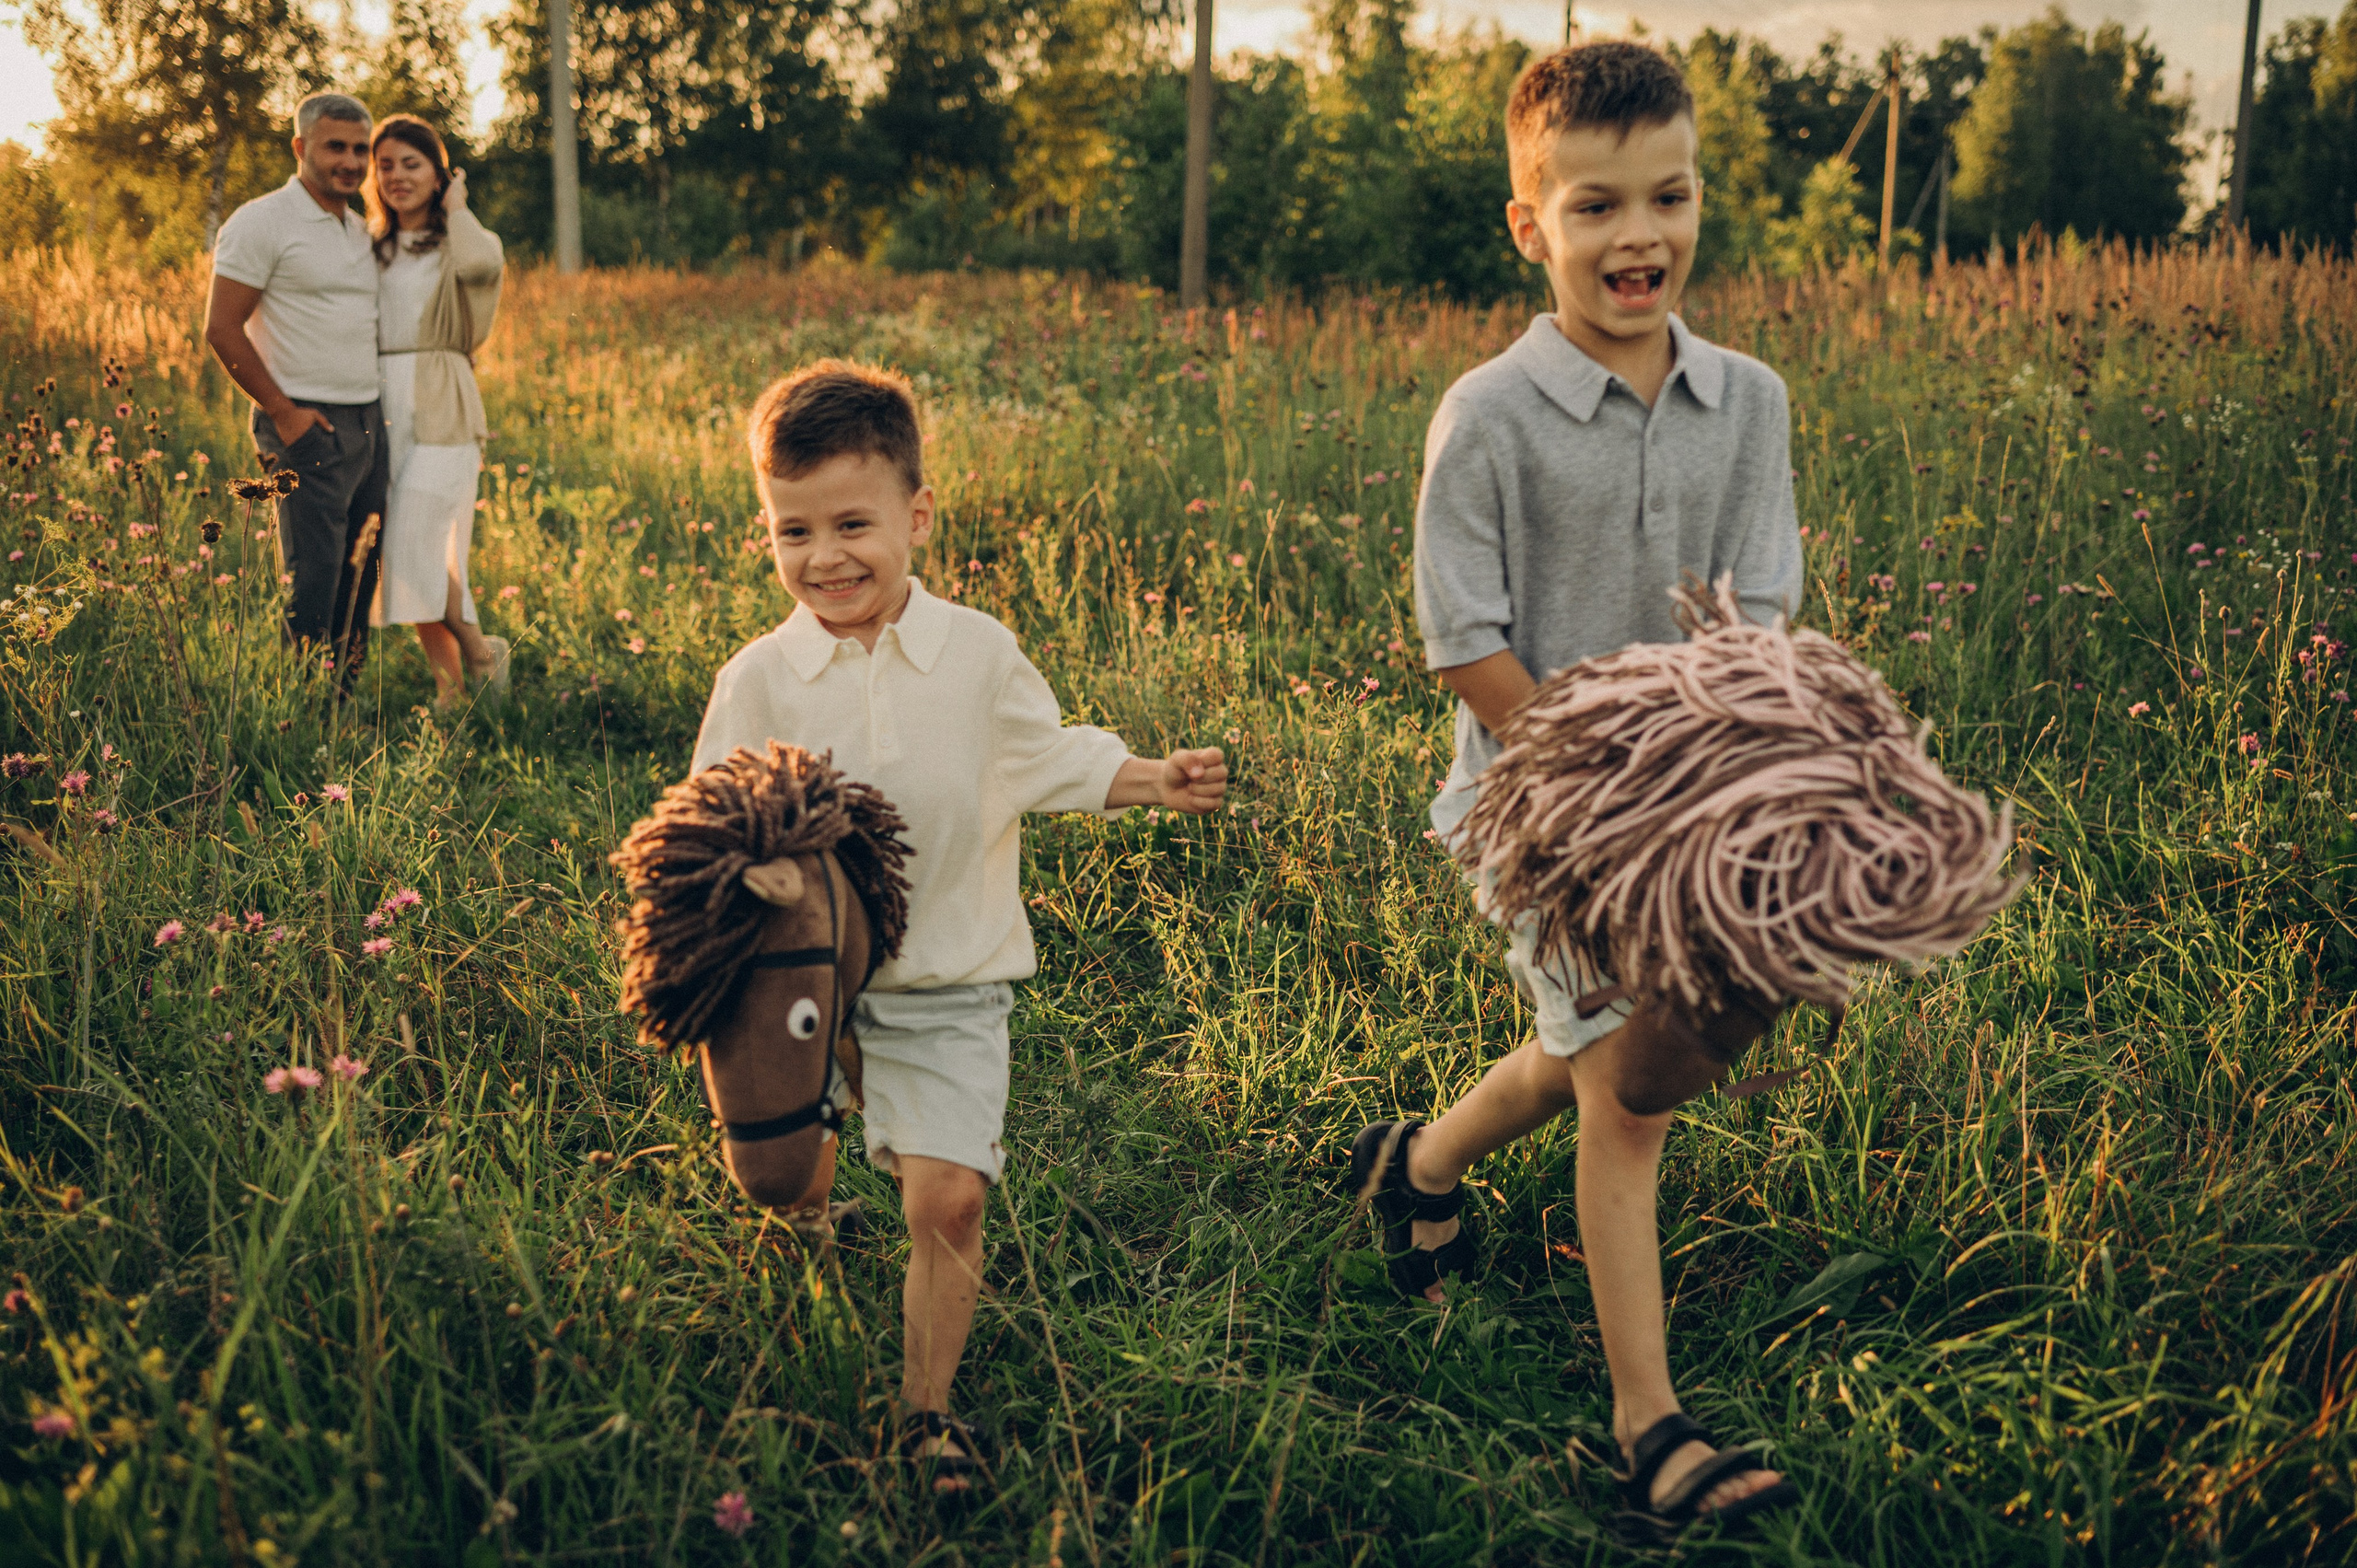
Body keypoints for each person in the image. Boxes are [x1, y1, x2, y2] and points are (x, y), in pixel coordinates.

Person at [1346, 42, 1805, 1544]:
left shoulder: (1750, 402)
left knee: (1590, 1052)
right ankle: (1648, 1425)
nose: (1638, 236)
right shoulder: (1489, 414)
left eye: (1668, 196)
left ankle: (1417, 1165)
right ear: (1529, 224)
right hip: (1535, 810)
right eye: (1595, 205)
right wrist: (1604, 780)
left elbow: (1760, 615)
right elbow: (1461, 637)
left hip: (1686, 805)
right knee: (1625, 1089)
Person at [690, 361, 1227, 1496]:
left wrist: (1152, 777)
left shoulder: (976, 653)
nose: (825, 557)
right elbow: (709, 822)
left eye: (852, 524)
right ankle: (809, 1229)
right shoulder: (760, 678)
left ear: (917, 516)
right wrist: (751, 881)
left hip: (948, 977)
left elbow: (1044, 753)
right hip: (808, 987)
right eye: (793, 530)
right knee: (792, 1170)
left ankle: (924, 1412)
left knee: (948, 1195)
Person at [205, 92, 386, 691]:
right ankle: (304, 709)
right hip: (307, 424)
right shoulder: (261, 222)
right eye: (336, 147)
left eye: (360, 149)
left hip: (368, 420)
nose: (351, 162)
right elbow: (221, 327)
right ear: (301, 147)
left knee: (361, 572)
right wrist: (283, 412)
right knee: (314, 577)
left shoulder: (359, 228)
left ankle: (342, 699)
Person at [364, 114, 510, 708]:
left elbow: (482, 268)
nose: (397, 176)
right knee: (406, 550)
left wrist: (458, 206)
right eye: (385, 166)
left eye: (412, 164)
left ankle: (480, 654)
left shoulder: (459, 241)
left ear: (438, 174)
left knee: (415, 542)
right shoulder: (370, 245)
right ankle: (450, 689)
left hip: (443, 403)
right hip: (380, 405)